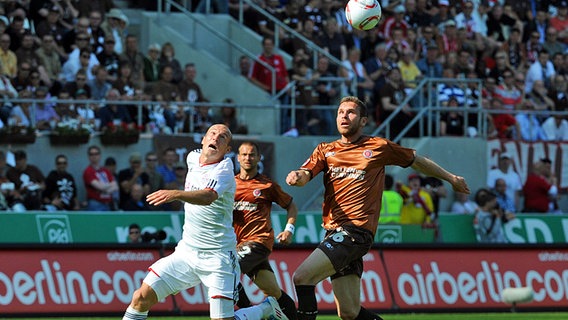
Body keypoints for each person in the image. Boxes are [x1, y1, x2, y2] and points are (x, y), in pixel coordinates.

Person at [285, 96, 469, 320]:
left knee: (302, 278)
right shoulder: (325, 150)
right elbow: (306, 174)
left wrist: (451, 178)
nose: (344, 116)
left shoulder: (378, 146)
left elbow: (417, 160)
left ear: (363, 121)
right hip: (333, 232)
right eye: (340, 112)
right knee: (349, 313)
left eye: (351, 112)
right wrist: (297, 177)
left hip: (355, 232)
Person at [122, 124, 286, 320]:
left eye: (223, 137)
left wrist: (175, 194)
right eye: (212, 134)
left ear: (227, 150)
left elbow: (208, 196)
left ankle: (265, 308)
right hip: (186, 253)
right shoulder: (192, 158)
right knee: (140, 298)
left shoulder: (224, 170)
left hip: (219, 258)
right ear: (203, 140)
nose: (216, 138)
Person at [233, 141, 298, 320]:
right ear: (238, 158)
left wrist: (288, 230)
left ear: (259, 158)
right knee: (274, 293)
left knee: (227, 270)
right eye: (244, 154)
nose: (248, 158)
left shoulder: (267, 186)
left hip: (258, 242)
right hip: (238, 244)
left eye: (252, 154)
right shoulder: (230, 185)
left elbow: (291, 206)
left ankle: (247, 314)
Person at [83, 146, 118, 211]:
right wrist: (108, 187)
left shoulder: (105, 170)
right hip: (95, 204)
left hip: (108, 204)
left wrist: (105, 189)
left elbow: (115, 186)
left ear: (100, 155)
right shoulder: (88, 171)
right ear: (88, 157)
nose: (94, 156)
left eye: (96, 154)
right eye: (91, 154)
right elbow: (100, 187)